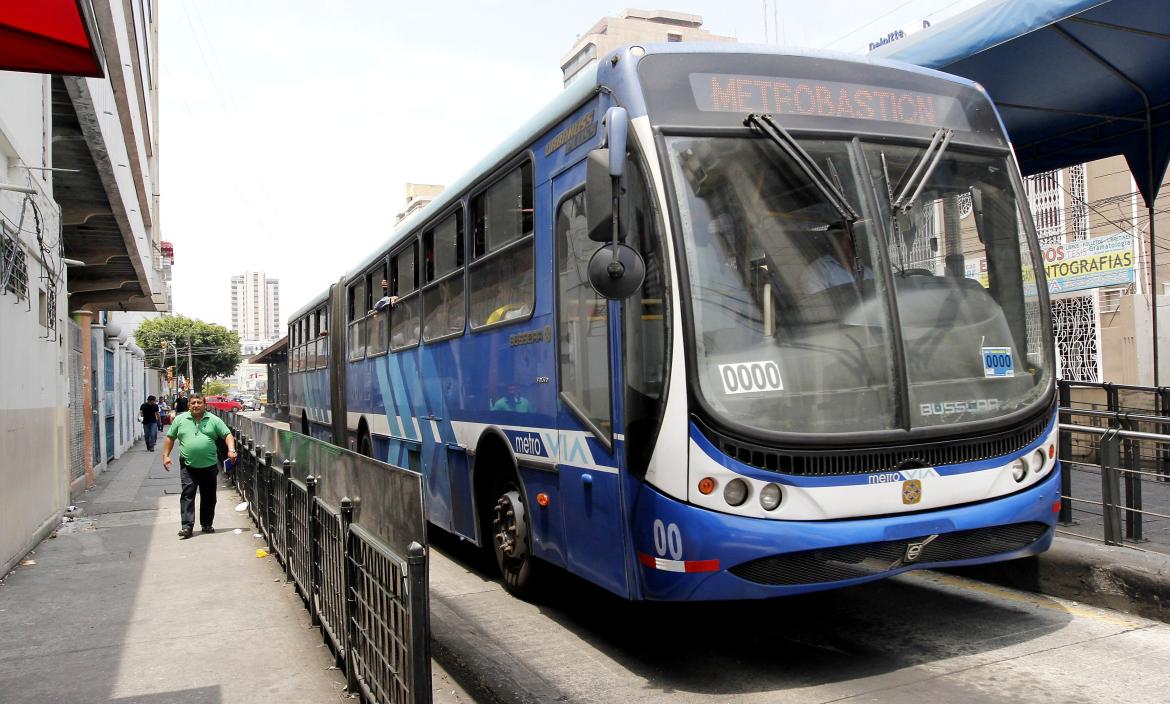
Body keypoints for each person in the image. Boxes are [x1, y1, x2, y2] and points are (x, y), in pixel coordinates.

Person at [162, 393, 237, 539]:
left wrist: (231, 449)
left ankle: (207, 524)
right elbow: (170, 437)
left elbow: (227, 434)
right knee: (187, 495)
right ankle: (187, 527)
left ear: (205, 404)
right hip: (188, 465)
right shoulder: (180, 419)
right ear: (189, 405)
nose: (196, 405)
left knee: (209, 496)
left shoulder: (213, 420)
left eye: (199, 402)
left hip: (209, 465)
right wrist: (165, 456)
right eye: (193, 403)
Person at [801, 221, 873, 295]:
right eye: (842, 238)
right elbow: (819, 301)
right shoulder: (817, 271)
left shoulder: (864, 270)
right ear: (831, 243)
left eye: (850, 241)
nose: (848, 244)